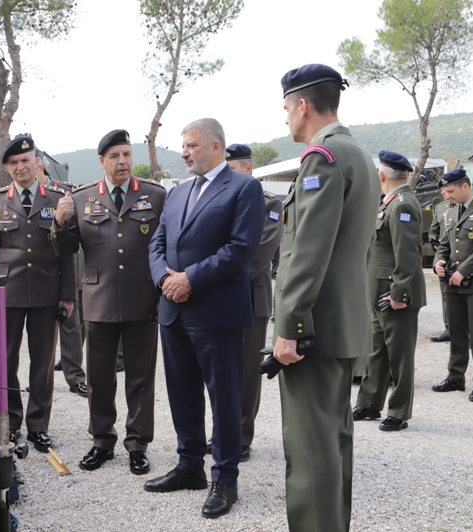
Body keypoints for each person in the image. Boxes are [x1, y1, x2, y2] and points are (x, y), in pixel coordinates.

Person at [272, 64, 379, 532]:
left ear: (302, 104)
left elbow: (308, 252)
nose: (286, 120)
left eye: (285, 109)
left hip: (313, 330)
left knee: (312, 454)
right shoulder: (355, 153)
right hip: (341, 324)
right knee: (333, 445)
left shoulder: (324, 157)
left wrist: (290, 326)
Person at [145, 118, 264, 519]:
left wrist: (190, 279)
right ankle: (189, 466)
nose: (184, 152)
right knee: (182, 392)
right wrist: (165, 278)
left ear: (216, 147)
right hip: (174, 309)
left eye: (192, 145)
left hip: (216, 312)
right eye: (183, 146)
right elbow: (157, 242)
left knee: (224, 398)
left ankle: (225, 479)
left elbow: (241, 248)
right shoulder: (178, 193)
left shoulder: (244, 188)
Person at [53, 129, 166, 476]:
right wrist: (59, 222)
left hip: (143, 299)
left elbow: (168, 245)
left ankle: (138, 444)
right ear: (102, 161)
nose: (123, 162)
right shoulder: (83, 197)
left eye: (127, 155)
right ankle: (102, 440)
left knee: (140, 378)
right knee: (100, 377)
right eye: (115, 156)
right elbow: (66, 249)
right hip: (99, 301)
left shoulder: (155, 195)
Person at [0, 135, 76, 453]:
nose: (21, 166)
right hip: (8, 293)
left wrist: (67, 295)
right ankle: (11, 424)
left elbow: (68, 251)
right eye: (14, 162)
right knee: (5, 362)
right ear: (7, 168)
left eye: (26, 160)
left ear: (37, 162)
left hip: (47, 292)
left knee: (43, 364)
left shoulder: (57, 197)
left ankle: (37, 426)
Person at [353, 150, 426, 432]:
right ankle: (370, 403)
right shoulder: (389, 202)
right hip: (379, 292)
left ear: (382, 175)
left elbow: (407, 256)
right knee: (376, 352)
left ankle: (399, 411)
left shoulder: (403, 204)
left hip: (396, 295)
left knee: (400, 357)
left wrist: (399, 294)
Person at [223, 142, 282, 461]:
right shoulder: (222, 198)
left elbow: (259, 251)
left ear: (248, 169)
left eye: (233, 169)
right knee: (222, 370)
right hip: (220, 296)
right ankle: (222, 432)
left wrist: (216, 276)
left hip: (250, 297)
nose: (228, 175)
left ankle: (242, 437)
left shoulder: (268, 203)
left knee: (246, 371)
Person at [432, 168, 473, 402]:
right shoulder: (450, 213)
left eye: (450, 191)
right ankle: (455, 376)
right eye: (445, 192)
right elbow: (444, 243)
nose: (447, 196)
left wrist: (463, 271)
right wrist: (439, 261)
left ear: (465, 186)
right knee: (456, 332)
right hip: (452, 280)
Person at [33, 152, 88, 398]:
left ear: (40, 166)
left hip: (64, 268)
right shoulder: (16, 198)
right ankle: (39, 381)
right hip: (37, 276)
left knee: (71, 326)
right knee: (38, 333)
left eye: (29, 163)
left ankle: (75, 376)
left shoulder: (63, 193)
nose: (23, 169)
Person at [428, 190, 452, 342]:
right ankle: (449, 329)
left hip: (463, 257)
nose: (443, 193)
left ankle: (468, 332)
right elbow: (434, 228)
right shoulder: (441, 208)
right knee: (446, 296)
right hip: (444, 257)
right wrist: (434, 241)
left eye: (447, 189)